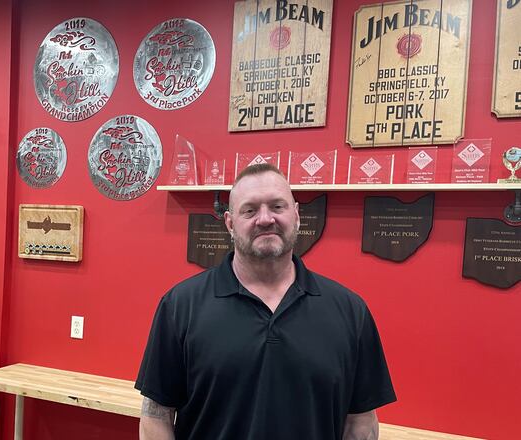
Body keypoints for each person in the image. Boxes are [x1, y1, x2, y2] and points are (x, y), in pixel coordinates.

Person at [135, 163, 396, 440]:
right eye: (250, 210)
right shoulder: (180, 306)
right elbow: (156, 415)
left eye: (277, 206)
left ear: (296, 215)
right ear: (230, 223)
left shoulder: (349, 310)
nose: (265, 219)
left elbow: (361, 422)